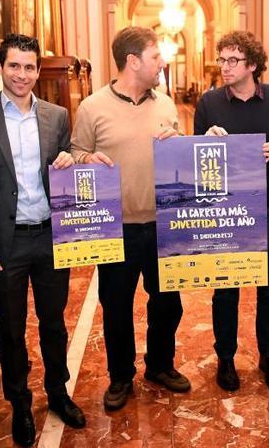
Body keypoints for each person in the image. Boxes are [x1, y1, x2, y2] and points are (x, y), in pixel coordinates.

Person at [0, 33, 84, 447]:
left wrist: (68, 159)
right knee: (10, 330)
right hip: (4, 246)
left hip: (50, 238)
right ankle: (19, 404)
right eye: (14, 66)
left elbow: (66, 168)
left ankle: (58, 392)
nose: (22, 75)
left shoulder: (56, 116)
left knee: (54, 323)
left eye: (30, 67)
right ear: (0, 67)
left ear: (37, 71)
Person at [71, 26, 189, 411]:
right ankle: (121, 376)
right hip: (116, 229)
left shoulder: (166, 104)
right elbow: (75, 155)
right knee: (117, 306)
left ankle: (160, 365)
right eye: (156, 57)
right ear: (133, 61)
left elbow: (184, 158)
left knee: (168, 304)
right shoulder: (92, 107)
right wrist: (86, 158)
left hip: (164, 225)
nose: (162, 63)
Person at [194, 30, 269, 392]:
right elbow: (196, 154)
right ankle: (225, 358)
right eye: (221, 59)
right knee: (225, 287)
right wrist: (205, 142)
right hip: (225, 208)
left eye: (232, 60)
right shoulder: (209, 103)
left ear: (252, 65)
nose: (224, 67)